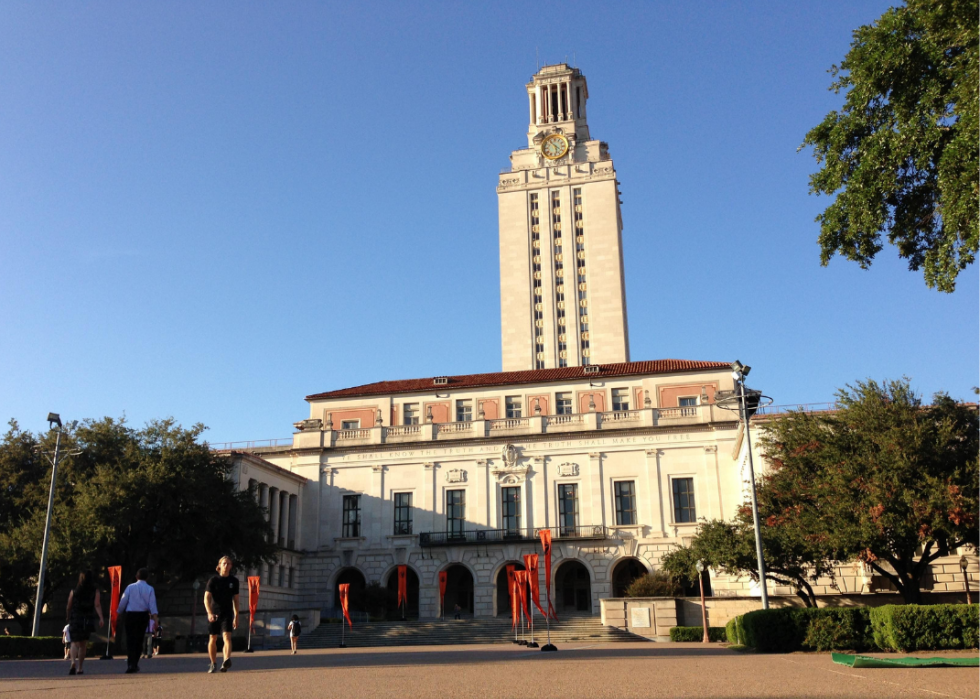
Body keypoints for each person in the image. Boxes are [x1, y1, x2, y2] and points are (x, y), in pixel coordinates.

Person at [116, 568, 158, 674]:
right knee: (139, 639)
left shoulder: (130, 587)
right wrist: (155, 618)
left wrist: (119, 612)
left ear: (136, 576)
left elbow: (123, 601)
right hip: (143, 615)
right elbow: (152, 604)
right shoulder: (150, 589)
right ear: (147, 577)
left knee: (130, 639)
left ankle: (130, 662)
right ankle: (135, 663)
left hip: (131, 615)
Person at [205, 556, 240, 674]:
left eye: (228, 564)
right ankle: (213, 663)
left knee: (227, 637)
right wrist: (209, 613)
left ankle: (226, 660)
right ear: (219, 565)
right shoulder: (213, 580)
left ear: (231, 566)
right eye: (224, 563)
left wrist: (236, 616)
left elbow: (236, 600)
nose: (226, 565)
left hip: (227, 613)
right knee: (213, 638)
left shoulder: (234, 581)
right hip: (214, 613)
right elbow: (206, 598)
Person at [65, 570, 104, 675]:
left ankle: (73, 662)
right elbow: (97, 604)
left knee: (74, 642)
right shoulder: (95, 591)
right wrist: (101, 617)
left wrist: (68, 616)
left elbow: (69, 605)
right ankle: (80, 668)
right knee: (83, 644)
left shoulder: (74, 591)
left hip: (76, 618)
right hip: (87, 619)